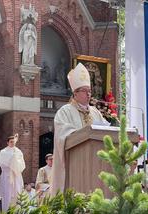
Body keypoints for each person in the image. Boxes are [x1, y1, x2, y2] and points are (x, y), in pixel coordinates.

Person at [51, 62, 108, 195]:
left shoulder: (96, 112)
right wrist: (84, 134)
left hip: (96, 163)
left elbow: (106, 131)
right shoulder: (65, 111)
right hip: (75, 165)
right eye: (84, 91)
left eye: (89, 91)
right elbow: (62, 136)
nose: (88, 94)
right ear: (75, 93)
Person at [0, 134, 26, 211]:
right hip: (7, 175)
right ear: (7, 143)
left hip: (16, 174)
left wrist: (15, 166)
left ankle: (17, 209)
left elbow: (22, 163)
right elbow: (2, 163)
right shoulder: (3, 152)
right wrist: (12, 161)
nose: (12, 143)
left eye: (13, 142)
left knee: (17, 191)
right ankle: (6, 209)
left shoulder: (18, 151)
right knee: (7, 192)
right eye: (11, 142)